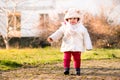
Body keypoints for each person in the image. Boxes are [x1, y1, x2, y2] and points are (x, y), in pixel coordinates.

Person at [47, 8, 92, 75]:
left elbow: (86, 37)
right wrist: (52, 37)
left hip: (77, 46)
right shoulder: (65, 27)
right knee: (66, 58)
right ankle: (66, 69)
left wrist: (88, 46)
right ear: (67, 19)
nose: (72, 20)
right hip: (67, 45)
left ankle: (77, 70)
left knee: (77, 59)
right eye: (70, 19)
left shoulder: (81, 28)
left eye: (74, 18)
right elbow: (59, 32)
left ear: (78, 19)